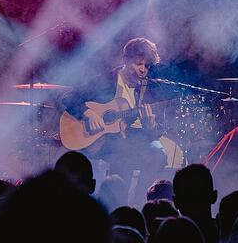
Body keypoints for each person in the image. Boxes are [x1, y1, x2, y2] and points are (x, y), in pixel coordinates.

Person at [61, 37, 169, 206]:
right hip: (106, 142)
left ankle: (139, 203)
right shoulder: (106, 81)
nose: (143, 70)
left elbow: (155, 131)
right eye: (138, 63)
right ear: (126, 60)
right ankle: (118, 207)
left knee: (159, 154)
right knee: (123, 154)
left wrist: (151, 126)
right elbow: (68, 98)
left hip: (134, 140)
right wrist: (88, 113)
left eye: (146, 66)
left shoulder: (148, 89)